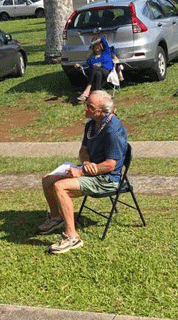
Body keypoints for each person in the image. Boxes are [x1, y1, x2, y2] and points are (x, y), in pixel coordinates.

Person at [36, 90, 128, 254]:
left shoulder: (113, 131)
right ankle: (56, 218)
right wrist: (85, 163)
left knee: (60, 187)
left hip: (106, 179)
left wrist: (82, 173)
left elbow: (110, 165)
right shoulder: (91, 124)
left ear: (101, 111)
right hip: (89, 170)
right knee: (47, 179)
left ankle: (72, 236)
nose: (85, 108)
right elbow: (83, 150)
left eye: (90, 106)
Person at [75, 37, 114, 102]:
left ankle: (88, 89)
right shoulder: (91, 57)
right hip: (96, 74)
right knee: (97, 73)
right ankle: (97, 96)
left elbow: (103, 40)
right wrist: (79, 67)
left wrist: (95, 42)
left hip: (106, 71)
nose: (97, 47)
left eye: (98, 45)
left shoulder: (106, 52)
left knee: (94, 67)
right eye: (95, 45)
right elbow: (86, 67)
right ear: (93, 47)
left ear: (101, 46)